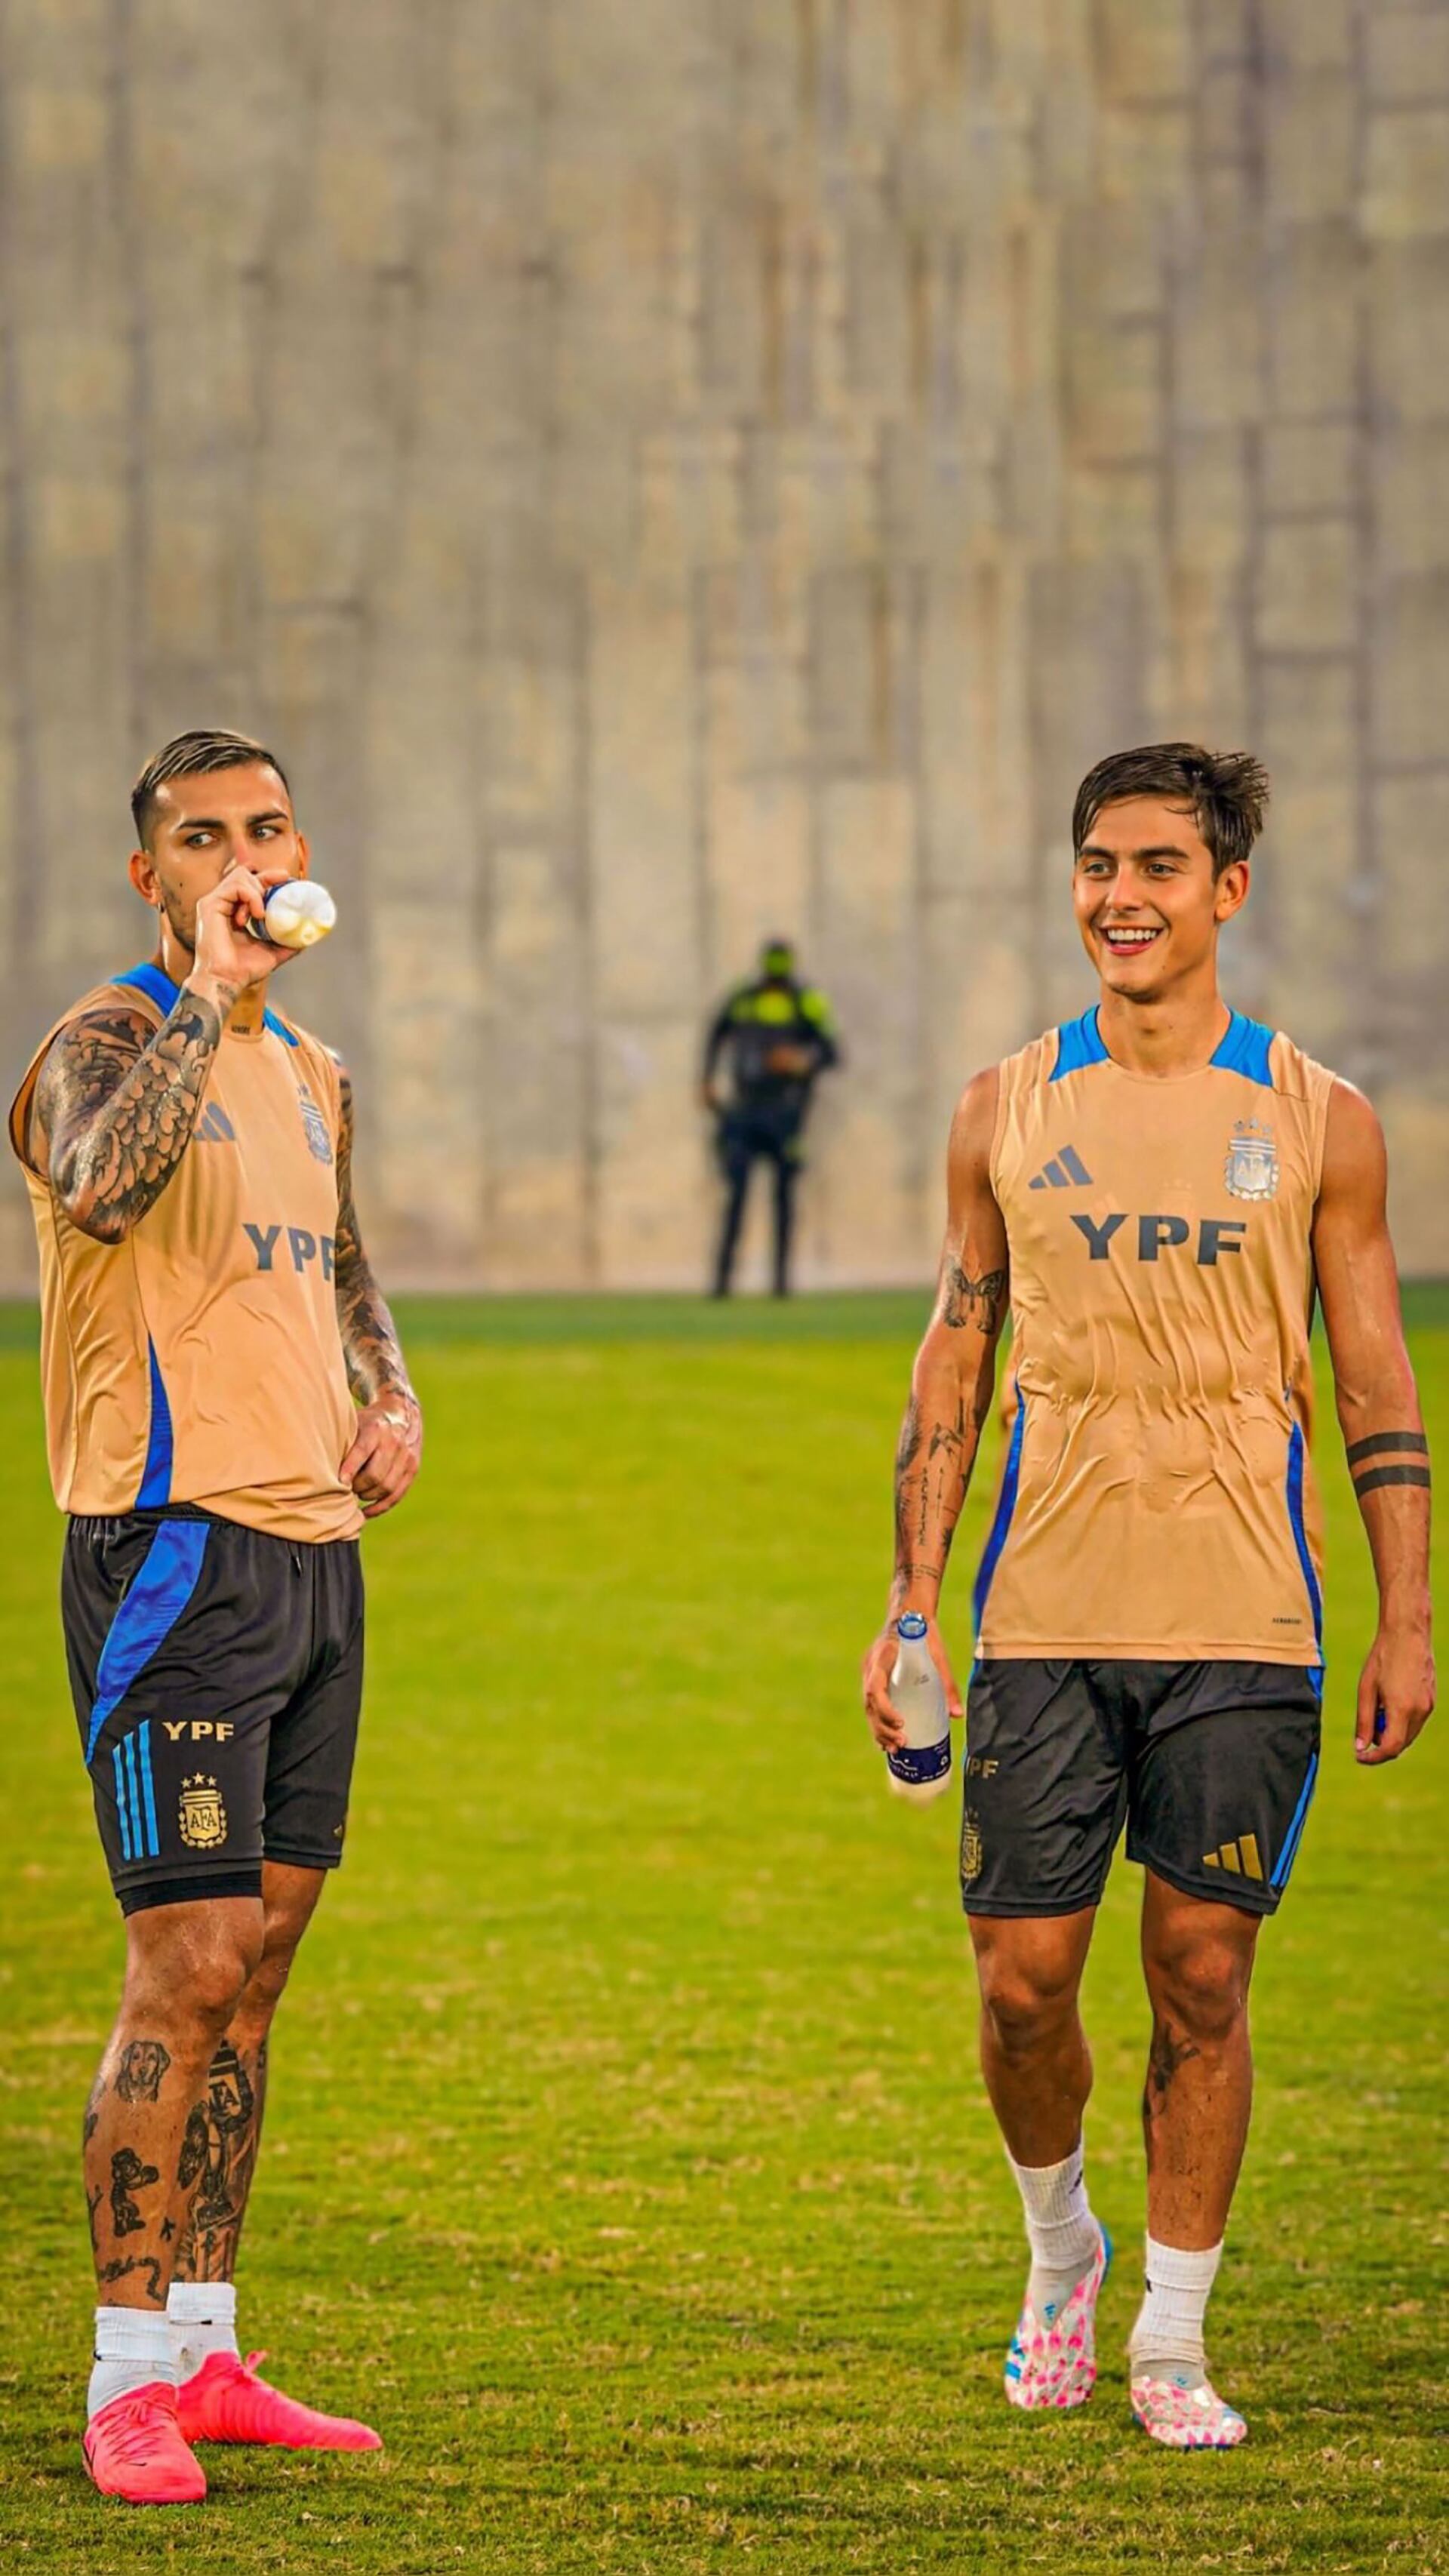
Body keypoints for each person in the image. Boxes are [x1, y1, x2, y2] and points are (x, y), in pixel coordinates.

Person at [860, 743, 1433, 2450]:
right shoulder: (1001, 1107)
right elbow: (953, 1348)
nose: (1120, 894)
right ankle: (1060, 2254)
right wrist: (906, 1600)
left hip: (1246, 1618)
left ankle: (1169, 2339)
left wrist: (1406, 1614)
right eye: (1097, 863)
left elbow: (1378, 1374)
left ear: (1225, 892)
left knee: (1201, 1974)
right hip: (1039, 1610)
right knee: (1023, 1979)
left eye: (1159, 867)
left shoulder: (1320, 1121)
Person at [8, 728, 423, 2506]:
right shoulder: (108, 1034)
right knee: (180, 1965)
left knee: (256, 1975)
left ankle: (210, 2345)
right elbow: (101, 1181)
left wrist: (387, 1384)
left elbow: (335, 1253)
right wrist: (205, 984)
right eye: (202, 838)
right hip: (170, 1553)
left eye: (263, 828)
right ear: (154, 876)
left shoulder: (314, 1065)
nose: (240, 856)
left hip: (314, 1549)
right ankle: (121, 2377)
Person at [701, 938, 840, 1297]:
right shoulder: (743, 997)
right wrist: (707, 1080)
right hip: (744, 1111)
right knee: (736, 1196)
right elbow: (716, 1033)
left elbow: (831, 1052)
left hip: (786, 1113)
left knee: (784, 1199)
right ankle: (722, 1282)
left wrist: (799, 1060)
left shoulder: (804, 1000)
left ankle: (781, 1282)